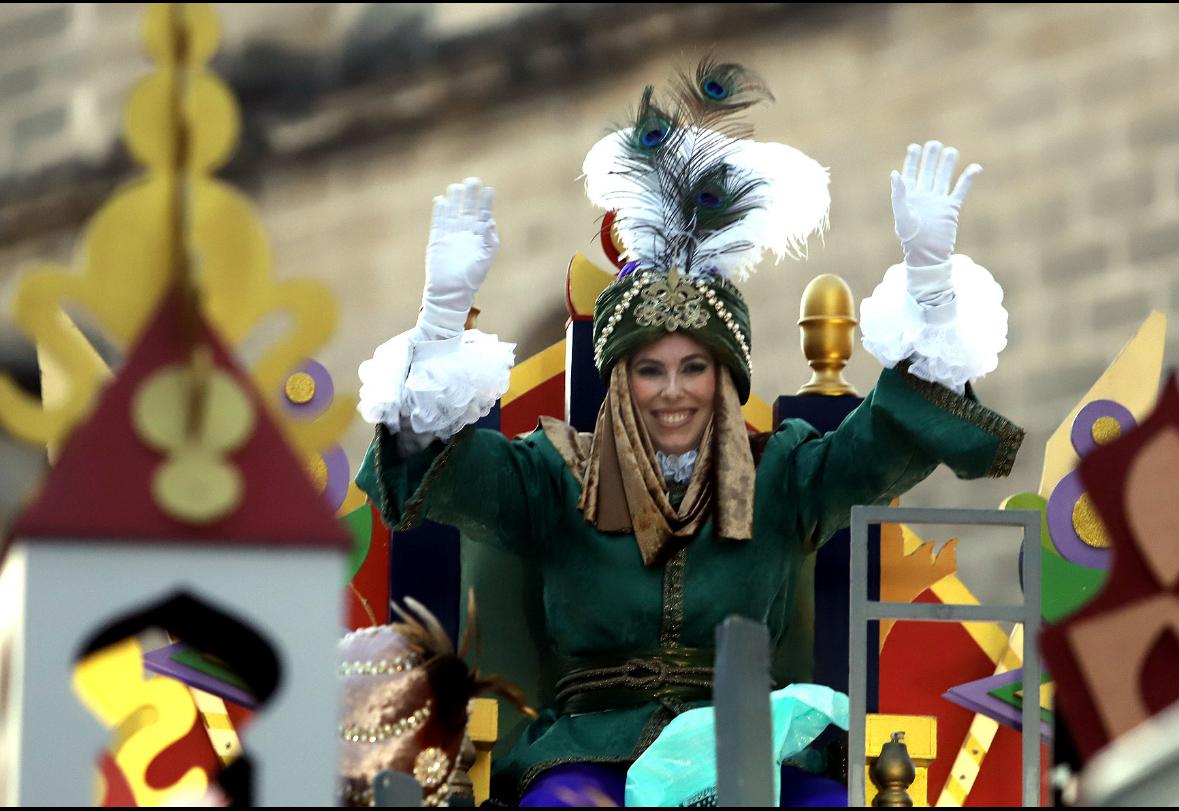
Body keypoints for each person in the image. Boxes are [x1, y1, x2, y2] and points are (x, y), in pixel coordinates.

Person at [354, 62, 1022, 806]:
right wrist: (443, 316)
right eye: (649, 370)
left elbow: (884, 446)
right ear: (620, 381)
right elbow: (434, 465)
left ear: (724, 377)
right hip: (590, 758)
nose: (672, 392)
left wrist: (929, 286)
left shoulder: (786, 470)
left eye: (693, 367)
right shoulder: (551, 475)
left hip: (751, 757)